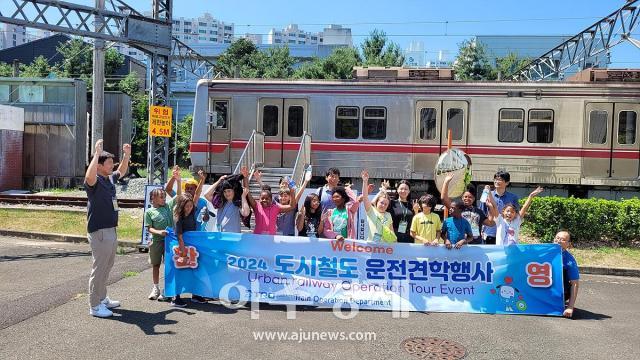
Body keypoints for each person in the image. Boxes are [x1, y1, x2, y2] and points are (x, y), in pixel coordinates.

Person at [84, 139, 130, 318]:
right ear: (100, 166)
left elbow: (122, 171)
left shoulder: (108, 178)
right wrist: (96, 154)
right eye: (109, 163)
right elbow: (89, 177)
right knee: (99, 268)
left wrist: (126, 155)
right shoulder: (94, 181)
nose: (113, 165)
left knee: (107, 265)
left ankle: (102, 298)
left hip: (111, 229)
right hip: (100, 231)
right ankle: (94, 306)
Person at [243, 167, 303, 235]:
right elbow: (247, 192)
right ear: (259, 199)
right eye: (262, 198)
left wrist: (292, 191)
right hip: (257, 238)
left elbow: (291, 206)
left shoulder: (275, 208)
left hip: (271, 240)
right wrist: (245, 177)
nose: (264, 200)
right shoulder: (256, 206)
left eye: (267, 198)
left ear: (271, 200)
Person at [441, 174, 495, 244]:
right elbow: (444, 198)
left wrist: (490, 207)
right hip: (459, 245)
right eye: (465, 197)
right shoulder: (456, 208)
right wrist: (446, 181)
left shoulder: (478, 211)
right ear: (462, 197)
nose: (467, 199)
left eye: (470, 197)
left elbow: (490, 223)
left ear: (474, 199)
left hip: (476, 245)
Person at [144, 188, 175, 301]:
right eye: (161, 197)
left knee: (169, 265)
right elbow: (149, 228)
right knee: (155, 265)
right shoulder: (149, 212)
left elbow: (178, 197)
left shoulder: (167, 207)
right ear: (153, 198)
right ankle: (155, 288)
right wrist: (159, 232)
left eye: (164, 196)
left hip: (169, 242)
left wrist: (177, 179)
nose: (164, 199)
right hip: (156, 241)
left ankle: (167, 290)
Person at [479, 170, 520, 245]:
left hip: (506, 235)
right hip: (489, 232)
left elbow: (517, 215)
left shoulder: (513, 197)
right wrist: (480, 229)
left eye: (500, 180)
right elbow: (481, 213)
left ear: (507, 183)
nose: (497, 181)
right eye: (495, 179)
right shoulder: (486, 194)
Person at [361, 170, 396, 243]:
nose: (383, 205)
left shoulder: (388, 215)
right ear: (377, 202)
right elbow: (365, 197)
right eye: (381, 203)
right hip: (372, 247)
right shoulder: (371, 211)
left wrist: (395, 243)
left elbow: (392, 232)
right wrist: (365, 182)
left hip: (385, 248)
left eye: (386, 204)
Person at [554, 231, 580, 318]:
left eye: (563, 240)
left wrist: (570, 307)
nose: (559, 241)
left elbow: (575, 284)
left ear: (568, 244)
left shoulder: (570, 260)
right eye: (557, 238)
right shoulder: (543, 253)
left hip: (560, 293)